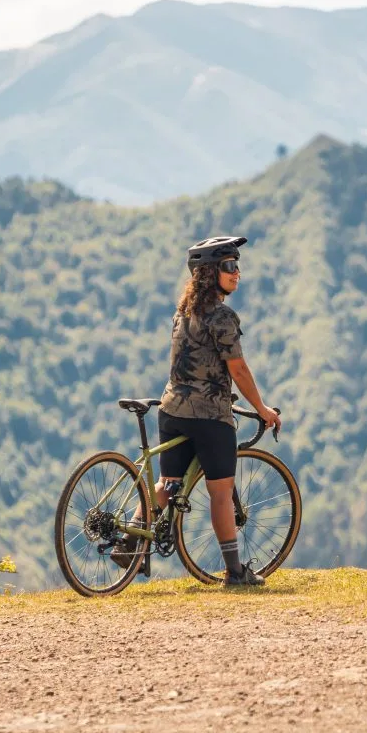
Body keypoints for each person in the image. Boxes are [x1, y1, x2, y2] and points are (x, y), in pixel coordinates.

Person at [112, 236, 281, 585]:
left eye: (237, 265)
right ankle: (235, 573)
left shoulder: (183, 311)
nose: (237, 273)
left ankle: (130, 539)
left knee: (167, 483)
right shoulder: (221, 317)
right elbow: (238, 370)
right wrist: (262, 408)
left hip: (173, 410)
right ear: (209, 273)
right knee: (220, 492)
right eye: (229, 266)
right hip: (209, 416)